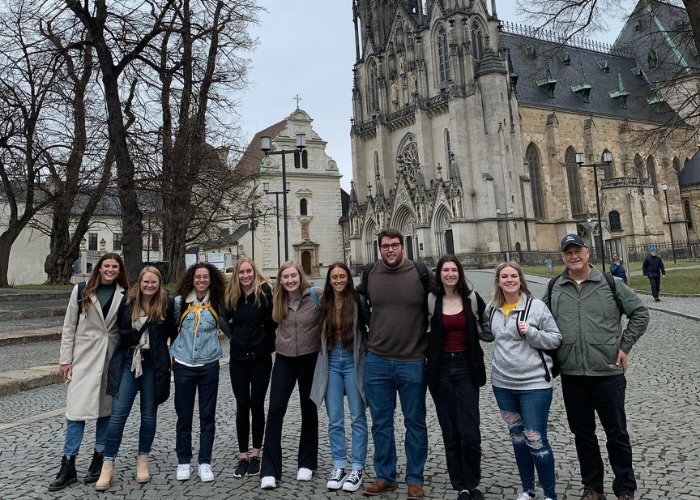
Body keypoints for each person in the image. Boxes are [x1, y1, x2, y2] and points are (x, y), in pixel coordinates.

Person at [546, 234, 649, 500]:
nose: (573, 256)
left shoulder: (610, 283)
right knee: (583, 434)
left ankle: (625, 487)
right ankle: (593, 487)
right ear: (562, 257)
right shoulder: (555, 286)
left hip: (607, 373)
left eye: (577, 250)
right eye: (568, 252)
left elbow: (640, 313)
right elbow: (541, 322)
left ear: (587, 252)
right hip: (572, 374)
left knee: (616, 433)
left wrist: (624, 346)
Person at [356, 228, 433, 500]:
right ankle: (385, 476)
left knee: (415, 422)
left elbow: (449, 291)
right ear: (380, 248)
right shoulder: (370, 274)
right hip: (377, 359)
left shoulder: (420, 273)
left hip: (412, 360)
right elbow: (350, 297)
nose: (390, 250)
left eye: (395, 245)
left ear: (403, 246)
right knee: (381, 423)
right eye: (386, 246)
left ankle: (415, 479)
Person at [49, 253, 129, 491]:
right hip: (83, 359)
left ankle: (99, 458)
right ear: (99, 268)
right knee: (76, 412)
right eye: (107, 266)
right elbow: (68, 326)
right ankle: (68, 463)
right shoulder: (81, 290)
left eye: (115, 266)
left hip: (109, 359)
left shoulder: (124, 293)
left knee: (106, 411)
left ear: (119, 270)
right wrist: (65, 360)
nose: (110, 269)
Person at [483, 262, 562, 500]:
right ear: (498, 280)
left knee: (535, 439)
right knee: (518, 438)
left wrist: (532, 333)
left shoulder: (536, 307)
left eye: (513, 276)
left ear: (521, 279)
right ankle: (527, 490)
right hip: (503, 385)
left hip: (534, 385)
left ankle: (550, 494)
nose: (509, 280)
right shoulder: (492, 309)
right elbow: (486, 333)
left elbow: (555, 338)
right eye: (504, 276)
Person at [95, 266, 177, 491]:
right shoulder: (127, 302)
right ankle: (108, 464)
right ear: (139, 283)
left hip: (154, 364)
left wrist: (173, 359)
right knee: (118, 414)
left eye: (154, 282)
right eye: (146, 282)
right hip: (128, 362)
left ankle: (143, 459)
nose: (149, 286)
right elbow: (116, 332)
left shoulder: (167, 304)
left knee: (149, 414)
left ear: (159, 284)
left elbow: (173, 333)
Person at [426, 256, 487, 500]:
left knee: (470, 431)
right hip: (441, 369)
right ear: (438, 274)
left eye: (454, 270)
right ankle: (460, 486)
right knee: (450, 430)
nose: (450, 274)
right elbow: (420, 330)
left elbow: (491, 326)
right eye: (445, 270)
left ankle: (473, 483)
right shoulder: (431, 301)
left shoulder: (471, 299)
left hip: (466, 367)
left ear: (460, 273)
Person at [259, 261, 323, 490]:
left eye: (293, 276)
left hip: (309, 358)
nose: (289, 280)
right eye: (285, 277)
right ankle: (269, 469)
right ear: (280, 279)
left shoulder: (315, 295)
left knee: (309, 408)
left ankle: (306, 463)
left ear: (300, 276)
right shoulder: (276, 299)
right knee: (275, 410)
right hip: (284, 359)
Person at [310, 262, 368, 492]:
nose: (338, 280)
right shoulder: (323, 302)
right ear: (329, 280)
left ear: (348, 278)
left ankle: (357, 467)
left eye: (342, 276)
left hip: (353, 360)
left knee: (357, 416)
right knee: (334, 419)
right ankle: (339, 465)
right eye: (334, 277)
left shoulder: (357, 301)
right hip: (331, 361)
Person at [170, 263, 229, 483]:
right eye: (198, 277)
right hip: (184, 364)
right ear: (192, 279)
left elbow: (229, 328)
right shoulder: (179, 303)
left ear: (211, 279)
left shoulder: (217, 303)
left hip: (209, 364)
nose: (201, 280)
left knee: (207, 416)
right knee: (184, 416)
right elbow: (171, 328)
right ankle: (184, 461)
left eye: (205, 277)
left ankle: (205, 462)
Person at [222, 257, 276, 479]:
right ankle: (243, 456)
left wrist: (264, 338)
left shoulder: (265, 293)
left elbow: (274, 321)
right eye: (241, 272)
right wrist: (235, 337)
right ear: (237, 274)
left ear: (254, 272)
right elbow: (224, 320)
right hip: (238, 358)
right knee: (242, 404)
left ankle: (256, 455)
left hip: (261, 357)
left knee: (257, 404)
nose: (245, 276)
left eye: (248, 271)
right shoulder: (231, 295)